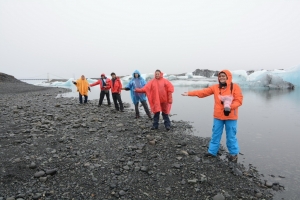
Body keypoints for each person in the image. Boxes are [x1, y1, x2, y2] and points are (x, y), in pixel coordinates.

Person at [181, 70, 243, 163]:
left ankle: (233, 154)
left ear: (228, 77)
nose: (221, 77)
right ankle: (212, 152)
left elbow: (239, 100)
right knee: (215, 134)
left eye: (223, 76)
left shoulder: (235, 87)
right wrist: (190, 93)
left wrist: (230, 107)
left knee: (231, 136)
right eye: (220, 76)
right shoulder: (216, 87)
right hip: (218, 116)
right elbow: (203, 92)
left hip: (231, 117)